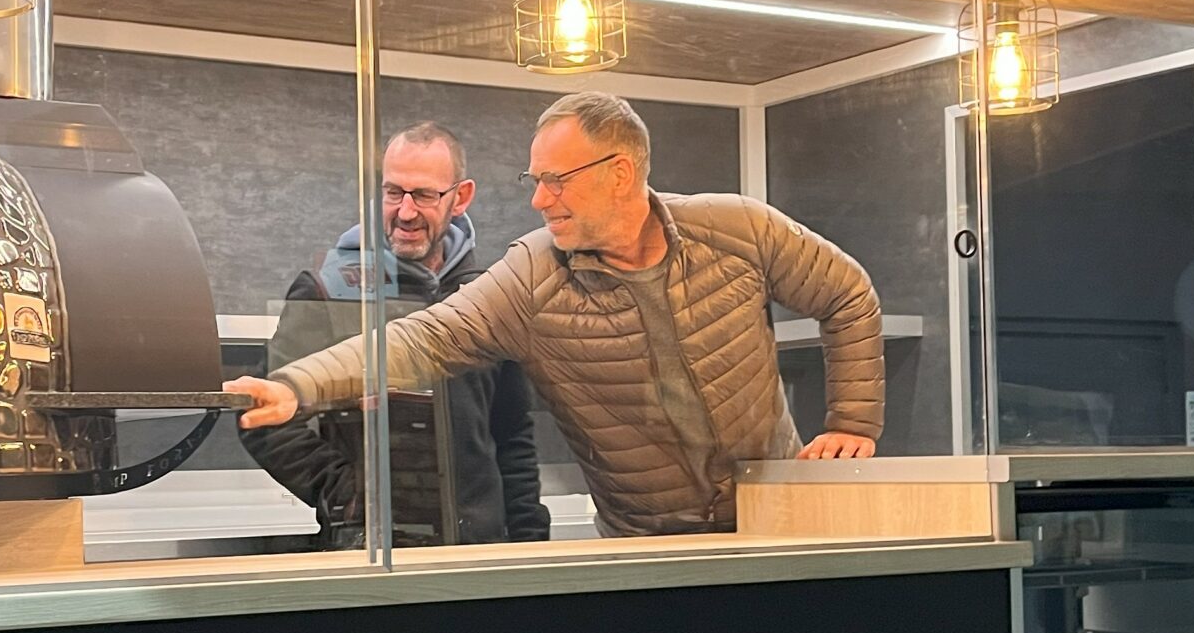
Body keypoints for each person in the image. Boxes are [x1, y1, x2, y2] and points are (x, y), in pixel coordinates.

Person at [228, 91, 881, 540]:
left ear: (619, 174)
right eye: (535, 180)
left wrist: (852, 421)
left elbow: (847, 294)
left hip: (781, 519)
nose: (539, 200)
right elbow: (423, 338)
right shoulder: (530, 276)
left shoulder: (738, 229)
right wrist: (296, 386)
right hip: (647, 548)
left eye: (557, 180)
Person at [248, 121, 551, 546]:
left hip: (478, 551)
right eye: (394, 192)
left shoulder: (489, 296)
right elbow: (261, 419)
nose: (406, 212)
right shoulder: (329, 291)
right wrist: (348, 494)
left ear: (461, 197)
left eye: (424, 195)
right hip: (371, 548)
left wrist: (529, 538)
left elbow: (512, 434)